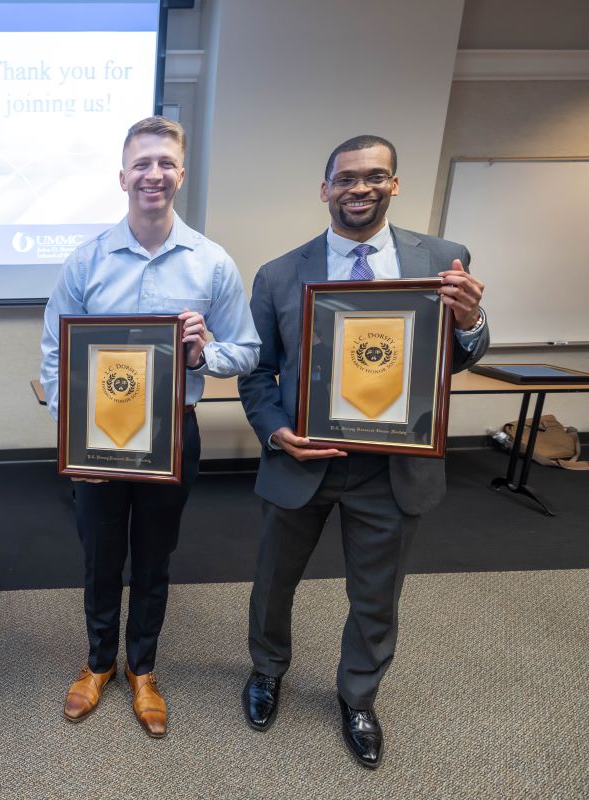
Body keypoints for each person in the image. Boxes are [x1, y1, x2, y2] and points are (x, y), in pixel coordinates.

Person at [237, 134, 488, 769]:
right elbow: (257, 374)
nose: (360, 189)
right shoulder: (279, 273)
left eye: (374, 177)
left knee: (377, 594)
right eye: (346, 178)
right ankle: (267, 672)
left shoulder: (443, 259)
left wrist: (469, 323)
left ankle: (358, 697)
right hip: (304, 460)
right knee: (272, 584)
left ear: (395, 185)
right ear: (325, 189)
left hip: (393, 466)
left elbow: (456, 358)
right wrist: (274, 432)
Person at [39, 116, 260, 737]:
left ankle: (143, 668)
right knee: (101, 555)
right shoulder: (87, 262)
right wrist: (70, 430)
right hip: (98, 441)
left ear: (180, 175)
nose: (153, 174)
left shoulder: (211, 263)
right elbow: (55, 354)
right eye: (142, 164)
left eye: (165, 163)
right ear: (123, 176)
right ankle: (97, 663)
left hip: (174, 435)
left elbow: (247, 350)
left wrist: (201, 353)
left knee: (155, 556)